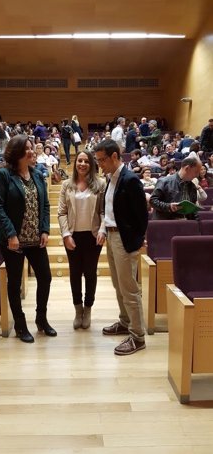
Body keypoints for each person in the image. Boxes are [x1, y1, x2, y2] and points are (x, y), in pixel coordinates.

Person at [0, 134, 56, 343]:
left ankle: (41, 319)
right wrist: (11, 234)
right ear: (17, 152)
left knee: (45, 277)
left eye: (32, 148)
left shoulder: (37, 175)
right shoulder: (4, 175)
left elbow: (45, 206)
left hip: (36, 238)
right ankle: (20, 325)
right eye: (27, 148)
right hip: (13, 241)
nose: (32, 151)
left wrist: (45, 230)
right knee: (15, 283)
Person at [94, 139, 148, 355]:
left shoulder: (130, 179)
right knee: (118, 285)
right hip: (112, 236)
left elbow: (142, 217)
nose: (100, 165)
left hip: (125, 240)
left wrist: (134, 242)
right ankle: (125, 321)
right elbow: (110, 210)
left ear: (115, 156)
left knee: (130, 289)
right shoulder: (110, 178)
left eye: (102, 160)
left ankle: (138, 336)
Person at [58, 150, 106, 329]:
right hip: (73, 236)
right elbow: (62, 212)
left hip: (93, 236)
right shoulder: (66, 185)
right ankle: (78, 310)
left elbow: (103, 211)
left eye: (86, 161)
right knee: (75, 273)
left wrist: (103, 230)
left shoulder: (100, 184)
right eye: (80, 160)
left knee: (91, 273)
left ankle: (88, 308)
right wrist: (66, 235)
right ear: (75, 163)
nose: (83, 164)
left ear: (91, 164)